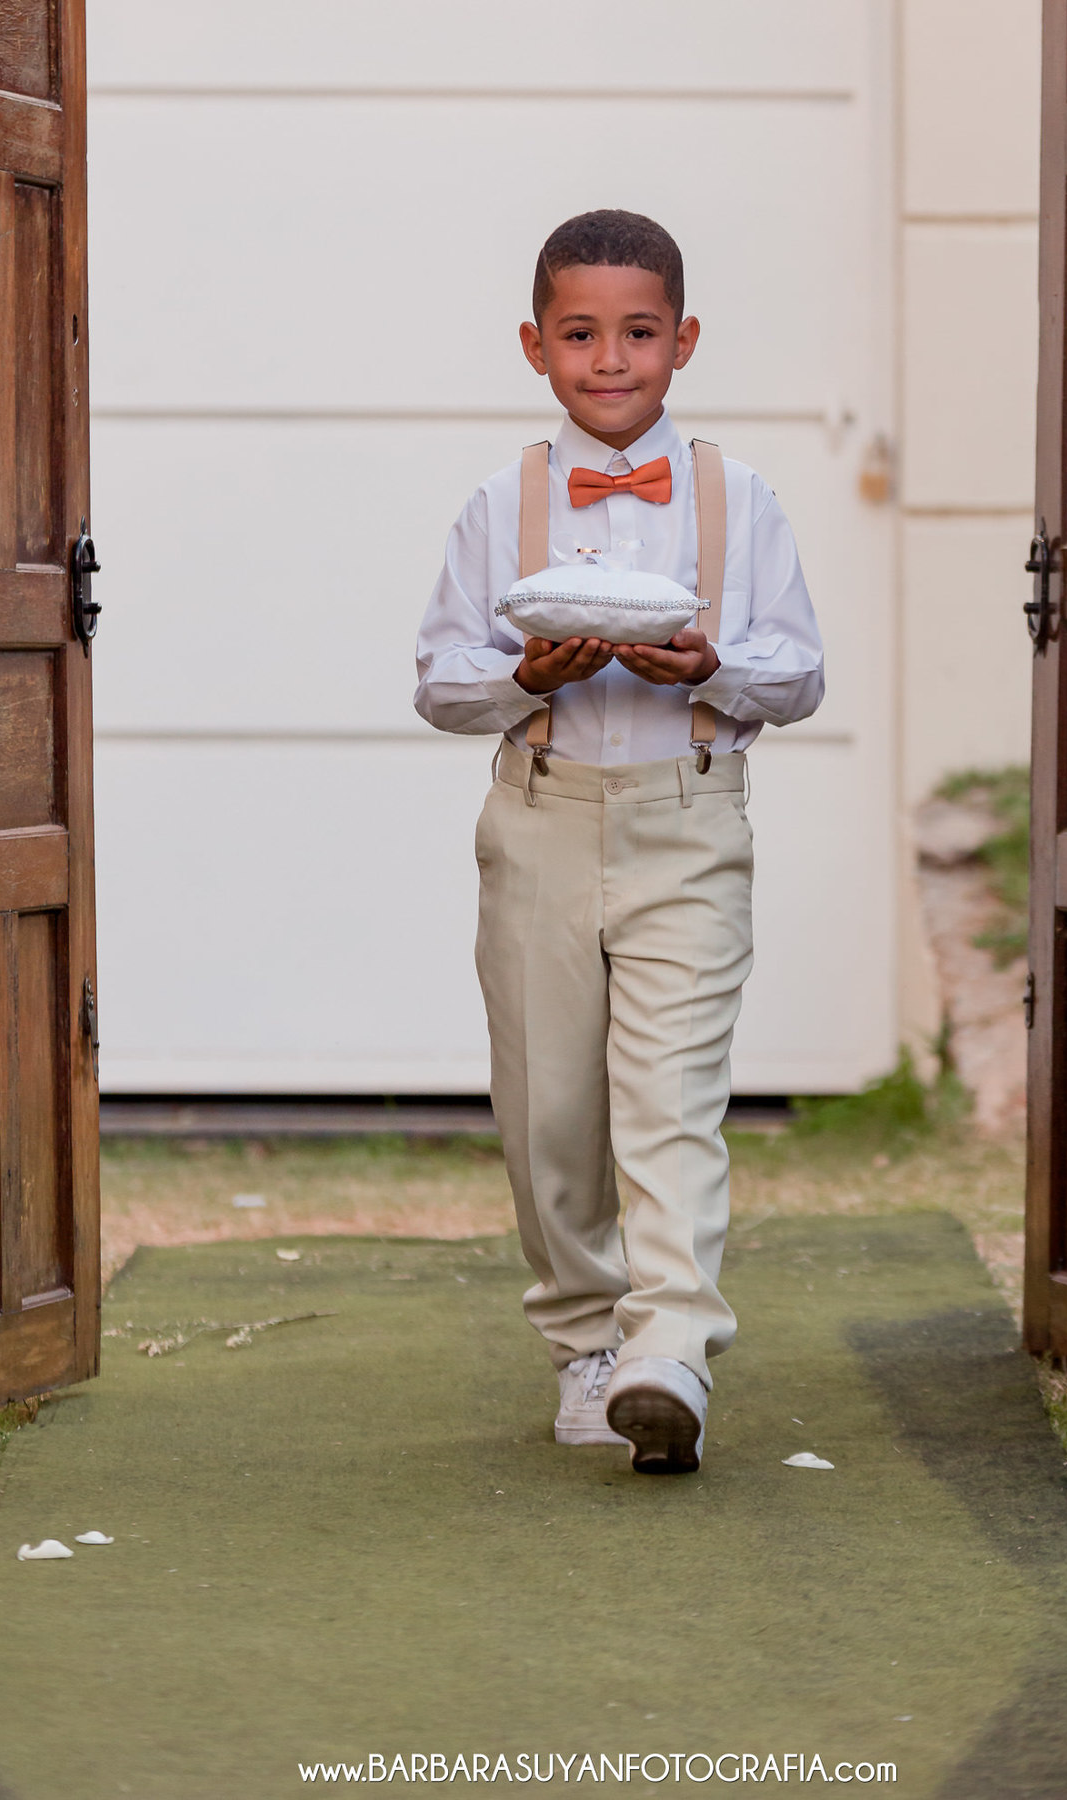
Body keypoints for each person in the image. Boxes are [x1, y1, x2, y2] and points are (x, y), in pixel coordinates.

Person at [414, 209, 824, 1473]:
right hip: (540, 820)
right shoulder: (501, 503)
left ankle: (670, 1349)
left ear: (683, 341)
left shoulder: (739, 497)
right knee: (549, 1106)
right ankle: (586, 1339)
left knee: (672, 1096)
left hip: (688, 821)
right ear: (535, 345)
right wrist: (526, 678)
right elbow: (440, 682)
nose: (610, 361)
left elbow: (799, 672)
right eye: (581, 335)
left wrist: (714, 665)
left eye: (638, 334)